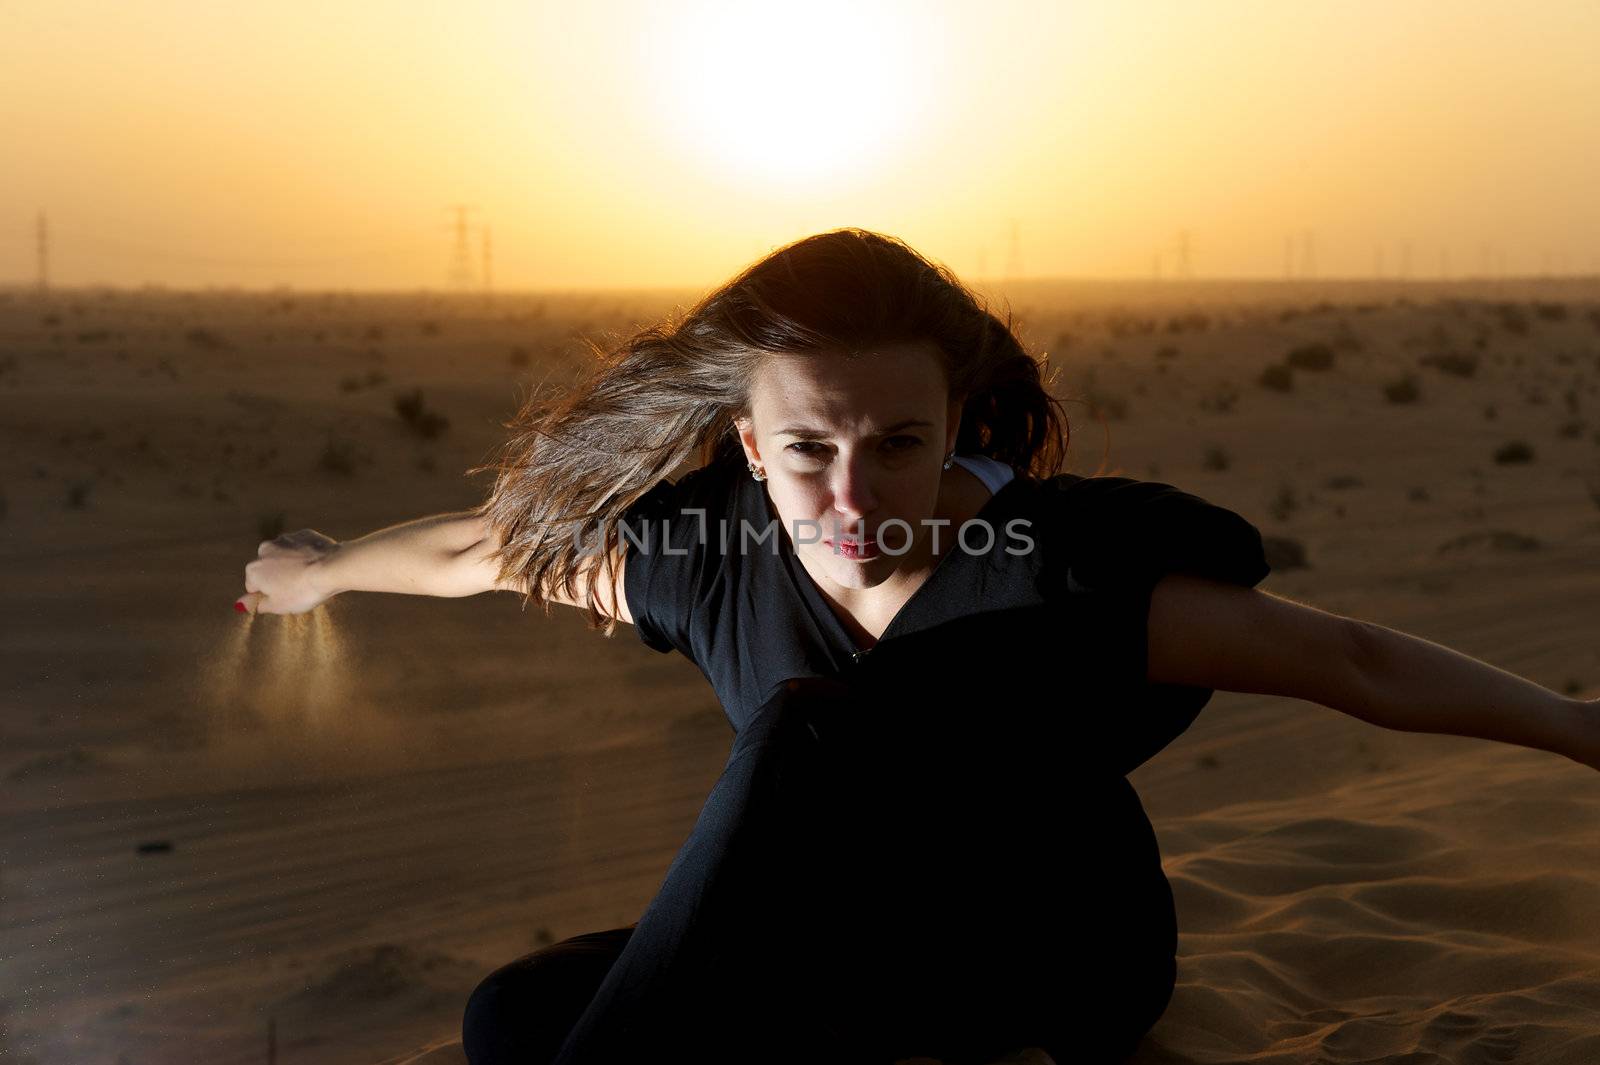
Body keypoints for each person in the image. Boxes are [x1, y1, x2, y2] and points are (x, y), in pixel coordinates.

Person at [238, 229, 1599, 1065]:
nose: (854, 495)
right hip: (854, 952)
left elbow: (1352, 659)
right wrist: (318, 577)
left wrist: (1589, 732)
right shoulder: (712, 553)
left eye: (898, 441)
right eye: (809, 451)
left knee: (806, 731)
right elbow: (487, 548)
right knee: (506, 1023)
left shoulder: (1060, 572)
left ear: (954, 421)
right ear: (750, 447)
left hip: (1058, 949)